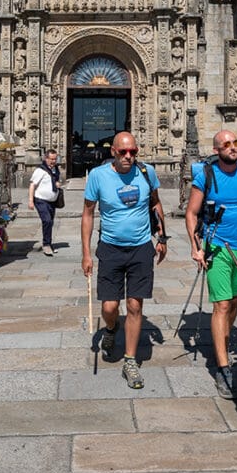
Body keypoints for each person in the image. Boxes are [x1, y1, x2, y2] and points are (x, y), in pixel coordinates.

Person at [81, 131, 167, 390]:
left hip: (141, 248)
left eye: (133, 152)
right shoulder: (98, 176)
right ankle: (110, 329)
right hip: (110, 248)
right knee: (109, 307)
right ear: (113, 152)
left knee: (134, 306)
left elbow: (156, 204)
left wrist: (162, 237)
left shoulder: (146, 172)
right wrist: (86, 253)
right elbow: (87, 213)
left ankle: (130, 360)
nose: (128, 156)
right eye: (123, 152)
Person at [185, 131, 237, 399]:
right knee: (222, 304)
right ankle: (222, 367)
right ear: (216, 149)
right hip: (216, 247)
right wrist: (196, 248)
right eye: (227, 144)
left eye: (236, 143)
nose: (233, 148)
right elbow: (192, 213)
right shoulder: (205, 176)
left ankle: (223, 342)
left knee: (233, 303)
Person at [28, 149, 62, 256]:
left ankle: (49, 244)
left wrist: (58, 184)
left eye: (55, 159)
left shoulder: (55, 169)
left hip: (52, 201)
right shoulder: (40, 170)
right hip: (41, 200)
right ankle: (46, 244)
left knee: (50, 222)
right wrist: (30, 201)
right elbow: (32, 185)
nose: (53, 161)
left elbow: (55, 181)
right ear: (46, 158)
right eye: (51, 159)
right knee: (47, 220)